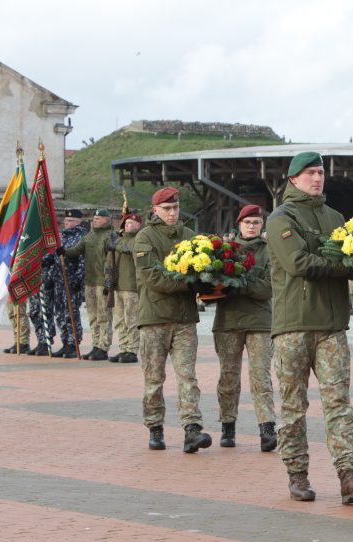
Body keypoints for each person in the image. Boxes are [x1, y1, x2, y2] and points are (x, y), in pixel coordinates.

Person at [265, 151, 353, 504]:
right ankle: (297, 475)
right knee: (293, 407)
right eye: (311, 173)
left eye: (321, 172)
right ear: (294, 178)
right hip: (293, 327)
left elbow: (352, 254)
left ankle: (350, 476)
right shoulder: (280, 218)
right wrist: (345, 267)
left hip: (331, 326)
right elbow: (298, 262)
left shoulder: (335, 217)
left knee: (339, 404)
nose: (318, 178)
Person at [134, 186, 213, 452]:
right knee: (154, 378)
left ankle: (192, 428)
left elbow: (205, 267)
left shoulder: (190, 236)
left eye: (176, 208)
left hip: (183, 319)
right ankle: (155, 427)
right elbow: (152, 278)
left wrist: (206, 281)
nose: (172, 213)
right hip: (154, 318)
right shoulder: (145, 237)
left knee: (187, 377)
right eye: (167, 208)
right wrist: (190, 283)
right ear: (155, 210)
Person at [211, 205, 277, 451]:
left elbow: (270, 287)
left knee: (261, 378)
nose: (252, 226)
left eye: (256, 222)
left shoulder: (270, 252)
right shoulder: (224, 251)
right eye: (247, 222)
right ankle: (228, 425)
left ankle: (267, 428)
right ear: (239, 224)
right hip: (228, 321)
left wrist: (244, 285)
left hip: (260, 322)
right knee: (228, 378)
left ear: (262, 226)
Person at [59, 208, 114, 361]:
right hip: (89, 282)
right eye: (94, 218)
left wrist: (108, 283)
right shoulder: (90, 235)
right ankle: (95, 345)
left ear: (106, 220)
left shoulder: (110, 236)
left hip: (102, 283)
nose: (94, 220)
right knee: (93, 317)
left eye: (98, 218)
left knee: (104, 317)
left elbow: (111, 261)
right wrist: (64, 251)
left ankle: (103, 347)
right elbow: (76, 250)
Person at [38, 209, 87, 358]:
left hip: (72, 282)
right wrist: (43, 260)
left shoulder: (82, 237)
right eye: (65, 221)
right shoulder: (61, 236)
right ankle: (65, 342)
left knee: (71, 313)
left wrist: (78, 280)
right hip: (58, 281)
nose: (67, 223)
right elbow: (53, 255)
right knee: (60, 314)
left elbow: (83, 261)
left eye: (70, 221)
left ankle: (73, 344)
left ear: (78, 222)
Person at [107, 212, 143, 363]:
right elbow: (110, 262)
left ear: (138, 225)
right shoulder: (121, 240)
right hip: (118, 286)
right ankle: (123, 348)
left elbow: (131, 248)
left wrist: (117, 243)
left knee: (131, 320)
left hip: (131, 287)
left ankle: (132, 350)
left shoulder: (139, 238)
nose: (127, 225)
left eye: (130, 223)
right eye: (126, 223)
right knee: (119, 320)